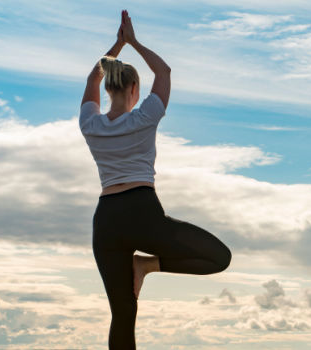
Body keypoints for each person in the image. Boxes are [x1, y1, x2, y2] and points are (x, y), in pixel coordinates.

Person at [79, 10, 232, 349]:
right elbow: (163, 71)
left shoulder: (91, 124)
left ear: (108, 88)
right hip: (142, 213)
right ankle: (147, 264)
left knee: (123, 315)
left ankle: (143, 265)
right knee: (219, 257)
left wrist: (116, 46)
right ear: (135, 89)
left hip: (105, 221)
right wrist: (132, 41)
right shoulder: (145, 116)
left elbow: (90, 81)